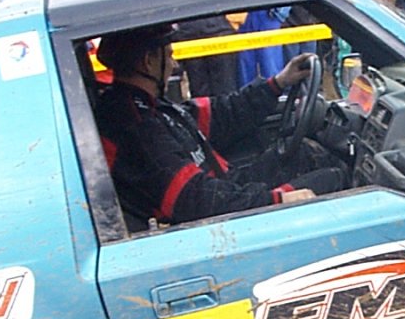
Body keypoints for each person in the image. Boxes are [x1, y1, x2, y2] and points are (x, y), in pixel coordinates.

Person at [94, 24, 347, 229]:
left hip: (225, 188)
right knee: (333, 178)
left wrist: (278, 83)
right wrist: (276, 200)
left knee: (305, 154)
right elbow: (193, 198)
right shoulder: (134, 125)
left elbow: (220, 115)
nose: (175, 65)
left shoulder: (149, 106)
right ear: (149, 61)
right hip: (216, 216)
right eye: (169, 56)